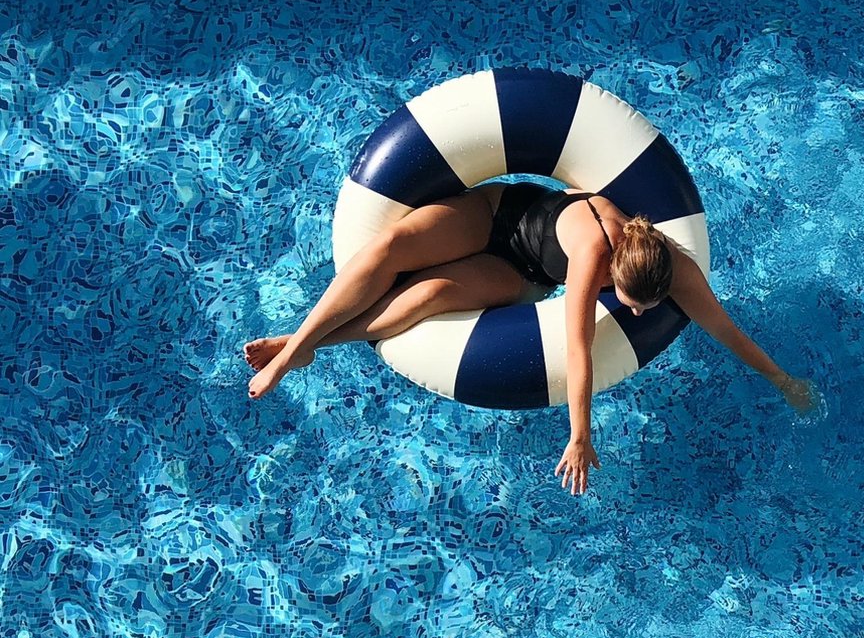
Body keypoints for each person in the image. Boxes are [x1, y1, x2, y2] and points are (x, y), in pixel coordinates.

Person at [244, 182, 819, 491]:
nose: (638, 314)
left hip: (522, 274)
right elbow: (578, 348)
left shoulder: (674, 267)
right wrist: (579, 436)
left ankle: (303, 346)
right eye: (632, 303)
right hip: (497, 215)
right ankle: (295, 349)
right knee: (391, 249)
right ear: (615, 271)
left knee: (425, 298)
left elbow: (723, 328)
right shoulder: (594, 255)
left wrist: (782, 379)